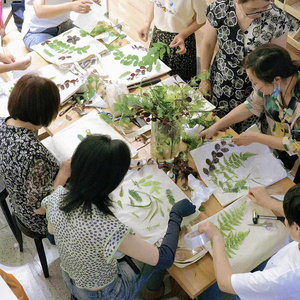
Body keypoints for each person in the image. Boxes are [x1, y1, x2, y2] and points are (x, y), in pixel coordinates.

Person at [42, 134, 196, 300]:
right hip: (105, 294)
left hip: (71, 279)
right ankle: (154, 291)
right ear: (113, 181)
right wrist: (176, 214)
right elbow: (164, 258)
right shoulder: (106, 227)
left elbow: (51, 234)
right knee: (155, 252)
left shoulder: (57, 196)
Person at [199, 44, 300, 183]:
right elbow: (250, 105)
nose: (254, 87)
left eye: (255, 82)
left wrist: (255, 137)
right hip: (279, 143)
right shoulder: (273, 84)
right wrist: (216, 126)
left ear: (276, 79)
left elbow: (295, 144)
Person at [199, 0, 289, 133]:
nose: (260, 14)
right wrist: (204, 78)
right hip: (222, 79)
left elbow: (276, 60)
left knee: (245, 128)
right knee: (217, 122)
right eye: (254, 9)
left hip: (256, 85)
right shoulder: (220, 8)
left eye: (266, 6)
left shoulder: (277, 17)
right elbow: (207, 44)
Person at [198, 184, 300, 300]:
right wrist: (269, 202)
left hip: (270, 290)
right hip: (278, 270)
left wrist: (216, 238)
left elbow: (225, 283)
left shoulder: (280, 277)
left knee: (208, 286)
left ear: (297, 229)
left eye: (288, 219)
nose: (285, 220)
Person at [0, 74, 70, 238]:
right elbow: (41, 208)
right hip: (39, 220)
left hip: (18, 198)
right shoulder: (33, 156)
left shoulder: (4, 122)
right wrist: (63, 173)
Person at [138, 0, 207, 83]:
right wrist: (147, 23)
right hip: (158, 36)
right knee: (154, 77)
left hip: (180, 42)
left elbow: (202, 19)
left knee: (179, 84)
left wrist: (183, 35)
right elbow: (153, 2)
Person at [22, 0, 94, 51]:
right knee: (60, 55)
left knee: (93, 42)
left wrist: (86, 3)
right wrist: (71, 6)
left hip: (66, 25)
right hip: (38, 32)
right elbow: (40, 11)